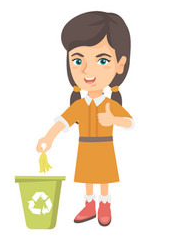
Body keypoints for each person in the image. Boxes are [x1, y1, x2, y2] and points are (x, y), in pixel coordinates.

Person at [36, 11, 134, 226]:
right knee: (88, 179)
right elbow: (63, 122)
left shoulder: (111, 105)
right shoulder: (79, 105)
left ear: (120, 64)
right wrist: (48, 138)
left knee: (104, 179)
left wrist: (113, 120)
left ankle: (104, 205)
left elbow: (129, 122)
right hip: (85, 148)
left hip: (105, 147)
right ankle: (90, 205)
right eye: (78, 60)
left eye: (102, 60)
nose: (87, 71)